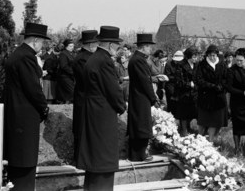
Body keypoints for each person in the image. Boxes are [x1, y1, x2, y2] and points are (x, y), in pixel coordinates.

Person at [76, 26, 126, 191]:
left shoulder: (93, 57)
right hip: (102, 115)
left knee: (94, 160)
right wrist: (122, 107)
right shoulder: (104, 61)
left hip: (92, 110)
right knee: (102, 160)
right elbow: (113, 90)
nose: (118, 49)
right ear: (111, 45)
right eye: (117, 46)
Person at [3, 23, 50, 191]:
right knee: (24, 159)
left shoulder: (18, 54)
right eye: (42, 42)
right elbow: (33, 89)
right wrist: (45, 108)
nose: (43, 46)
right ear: (35, 40)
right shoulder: (26, 57)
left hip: (17, 113)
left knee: (20, 158)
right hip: (24, 116)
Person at [127, 33, 158, 161]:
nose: (150, 49)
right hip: (141, 97)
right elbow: (145, 81)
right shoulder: (139, 60)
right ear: (144, 47)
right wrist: (153, 98)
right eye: (149, 46)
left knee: (138, 124)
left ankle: (136, 154)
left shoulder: (137, 58)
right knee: (141, 125)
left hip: (137, 96)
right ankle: (140, 154)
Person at [72, 30, 98, 162]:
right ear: (89, 44)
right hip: (84, 97)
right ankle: (80, 159)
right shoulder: (83, 58)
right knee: (82, 130)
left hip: (85, 97)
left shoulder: (86, 56)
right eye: (96, 42)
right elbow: (87, 79)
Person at [196, 45, 227, 142]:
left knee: (215, 120)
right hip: (206, 96)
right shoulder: (202, 65)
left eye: (214, 55)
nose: (212, 57)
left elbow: (226, 78)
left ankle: (211, 139)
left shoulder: (222, 64)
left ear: (217, 55)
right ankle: (199, 138)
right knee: (203, 119)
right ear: (207, 55)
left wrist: (221, 86)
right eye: (210, 55)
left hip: (219, 97)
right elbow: (199, 80)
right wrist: (212, 86)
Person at [174, 46, 199, 137]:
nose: (196, 58)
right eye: (194, 57)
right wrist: (189, 84)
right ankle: (183, 131)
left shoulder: (197, 65)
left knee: (193, 113)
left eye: (197, 56)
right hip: (184, 94)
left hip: (195, 94)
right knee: (183, 115)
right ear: (188, 56)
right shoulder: (180, 65)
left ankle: (189, 129)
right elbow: (178, 81)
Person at [164, 50, 184, 116]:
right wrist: (177, 77)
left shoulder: (183, 64)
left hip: (180, 86)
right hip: (170, 86)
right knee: (171, 103)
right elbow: (167, 76)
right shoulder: (168, 64)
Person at [56, 39, 75, 104]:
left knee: (70, 92)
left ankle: (67, 105)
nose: (72, 47)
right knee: (70, 91)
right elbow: (63, 66)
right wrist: (73, 72)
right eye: (70, 46)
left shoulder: (69, 53)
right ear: (66, 46)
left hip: (69, 76)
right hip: (64, 76)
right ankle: (66, 105)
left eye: (73, 46)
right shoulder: (63, 54)